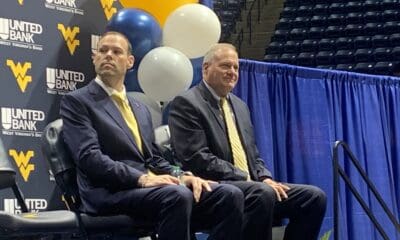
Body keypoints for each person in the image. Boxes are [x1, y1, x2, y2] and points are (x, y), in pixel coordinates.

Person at [60, 32, 244, 240]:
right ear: (94, 58)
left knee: (229, 195)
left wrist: (182, 175)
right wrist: (141, 179)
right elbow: (89, 158)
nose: (108, 55)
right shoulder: (77, 101)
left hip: (148, 188)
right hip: (108, 192)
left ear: (130, 62)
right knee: (177, 195)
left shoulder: (140, 108)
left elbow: (153, 159)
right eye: (103, 51)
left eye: (116, 51)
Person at [168, 43, 327, 240]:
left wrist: (264, 177)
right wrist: (245, 178)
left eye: (236, 68)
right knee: (261, 194)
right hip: (213, 188)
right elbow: (197, 158)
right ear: (206, 67)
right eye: (225, 66)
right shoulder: (187, 102)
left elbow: (253, 156)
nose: (232, 72)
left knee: (313, 197)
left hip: (251, 186)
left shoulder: (240, 106)